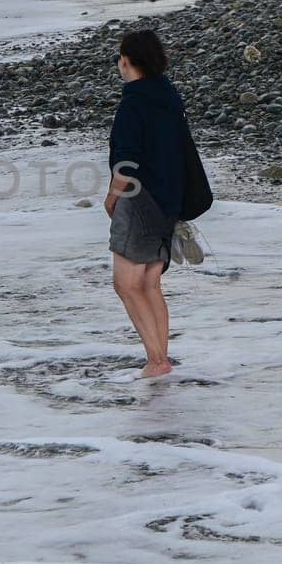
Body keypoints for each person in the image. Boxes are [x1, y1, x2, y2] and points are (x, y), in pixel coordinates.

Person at [104, 29, 191, 379]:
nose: (118, 64)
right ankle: (160, 359)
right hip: (169, 198)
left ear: (128, 61)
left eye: (119, 57)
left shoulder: (133, 102)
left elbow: (126, 158)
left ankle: (156, 361)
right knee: (150, 281)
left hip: (139, 198)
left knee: (125, 283)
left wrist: (112, 197)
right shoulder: (168, 94)